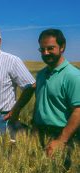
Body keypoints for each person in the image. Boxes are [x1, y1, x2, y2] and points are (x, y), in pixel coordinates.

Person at [34, 29, 80, 157]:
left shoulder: (73, 76)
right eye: (42, 50)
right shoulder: (41, 74)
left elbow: (78, 111)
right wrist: (35, 128)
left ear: (62, 47)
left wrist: (61, 140)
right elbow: (39, 104)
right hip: (40, 134)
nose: (46, 53)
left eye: (50, 48)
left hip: (64, 136)